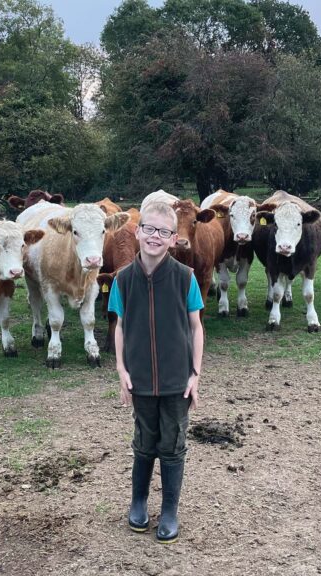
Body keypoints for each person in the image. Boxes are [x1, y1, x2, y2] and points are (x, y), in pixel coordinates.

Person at [108, 201, 204, 544]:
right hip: (141, 379)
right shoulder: (123, 279)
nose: (155, 236)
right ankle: (138, 502)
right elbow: (119, 326)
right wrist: (121, 368)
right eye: (149, 229)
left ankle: (169, 511)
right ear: (138, 231)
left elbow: (196, 327)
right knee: (144, 442)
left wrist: (195, 373)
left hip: (178, 380)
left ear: (174, 239)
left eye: (164, 232)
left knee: (173, 444)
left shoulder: (185, 277)